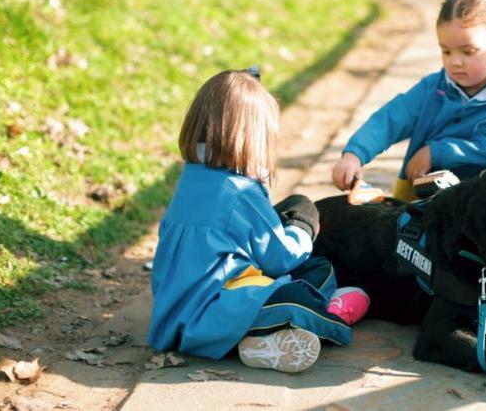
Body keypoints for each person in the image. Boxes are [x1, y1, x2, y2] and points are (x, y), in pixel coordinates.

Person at [147, 68, 370, 374]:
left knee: (307, 276)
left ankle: (262, 342)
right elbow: (280, 258)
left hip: (178, 310)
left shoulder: (192, 178)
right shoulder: (238, 191)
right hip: (211, 312)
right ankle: (333, 318)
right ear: (253, 138)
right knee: (302, 294)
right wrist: (303, 227)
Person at [332, 0, 486, 201]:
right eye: (445, 51)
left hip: (484, 206)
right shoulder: (432, 88)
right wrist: (354, 154)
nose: (455, 61)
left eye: (468, 51)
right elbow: (390, 119)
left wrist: (437, 152)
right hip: (421, 199)